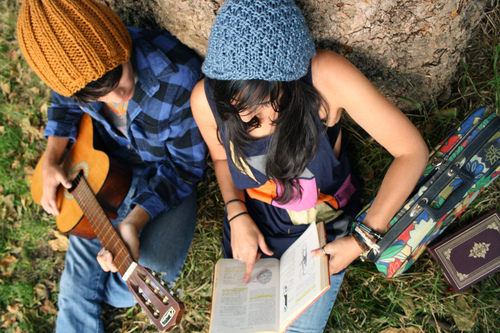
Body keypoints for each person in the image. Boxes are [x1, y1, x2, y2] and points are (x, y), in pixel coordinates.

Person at [190, 0, 429, 331]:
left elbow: (411, 152)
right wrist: (237, 213)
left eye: (279, 107)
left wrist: (361, 239)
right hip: (254, 225)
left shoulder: (327, 78)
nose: (268, 128)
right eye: (251, 118)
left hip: (322, 232)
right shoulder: (205, 100)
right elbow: (220, 157)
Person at [17, 0, 207, 332]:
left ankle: (98, 224)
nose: (116, 96)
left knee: (125, 289)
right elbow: (63, 99)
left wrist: (132, 221)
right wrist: (51, 157)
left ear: (120, 47)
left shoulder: (178, 80)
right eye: (96, 96)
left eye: (116, 78)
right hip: (108, 171)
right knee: (87, 258)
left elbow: (185, 171)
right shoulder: (77, 82)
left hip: (165, 177)